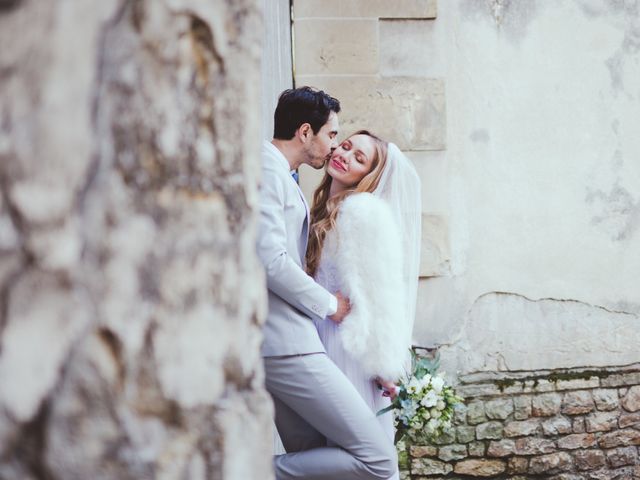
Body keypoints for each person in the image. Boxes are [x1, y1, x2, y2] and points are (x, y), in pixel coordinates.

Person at [257, 88, 398, 480]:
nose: (335, 146)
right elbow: (270, 259)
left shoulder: (285, 176)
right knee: (379, 460)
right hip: (287, 344)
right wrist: (330, 305)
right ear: (306, 132)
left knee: (316, 458)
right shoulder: (267, 170)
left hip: (294, 341)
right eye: (334, 136)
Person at [307, 131, 422, 480]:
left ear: (367, 176)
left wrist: (385, 365)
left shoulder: (363, 212)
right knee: (332, 451)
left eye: (359, 159)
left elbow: (379, 296)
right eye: (345, 146)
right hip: (316, 335)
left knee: (368, 458)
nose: (345, 156)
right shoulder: (322, 205)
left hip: (347, 348)